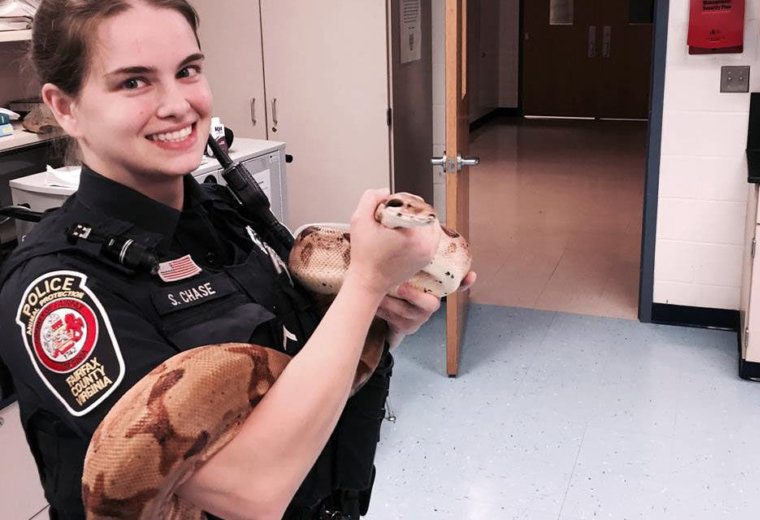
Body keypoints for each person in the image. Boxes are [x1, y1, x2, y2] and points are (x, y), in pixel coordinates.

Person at [0, 1, 476, 519]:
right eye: (134, 82)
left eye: (188, 71)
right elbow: (251, 493)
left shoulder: (226, 214)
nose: (178, 104)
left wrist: (387, 316)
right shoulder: (57, 292)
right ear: (65, 107)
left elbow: (313, 363)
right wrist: (364, 283)